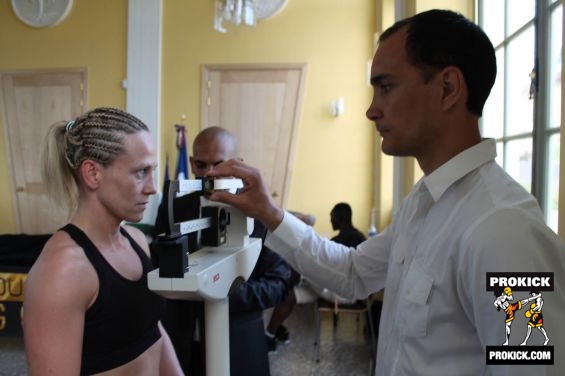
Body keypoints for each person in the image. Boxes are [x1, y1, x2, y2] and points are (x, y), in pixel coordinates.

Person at [205, 9, 565, 375]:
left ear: (448, 88)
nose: (371, 110)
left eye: (386, 87)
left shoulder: (505, 232)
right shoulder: (423, 204)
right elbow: (353, 272)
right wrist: (270, 212)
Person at [23, 107, 183, 375]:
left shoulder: (136, 240)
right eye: (140, 172)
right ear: (93, 173)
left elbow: (152, 329)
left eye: (152, 171)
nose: (153, 187)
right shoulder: (63, 270)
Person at [152, 126, 292, 376]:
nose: (210, 173)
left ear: (238, 163)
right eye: (202, 165)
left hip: (238, 345)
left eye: (218, 164)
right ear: (192, 163)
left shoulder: (261, 211)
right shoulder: (174, 206)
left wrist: (221, 290)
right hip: (181, 347)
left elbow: (279, 283)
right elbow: (157, 264)